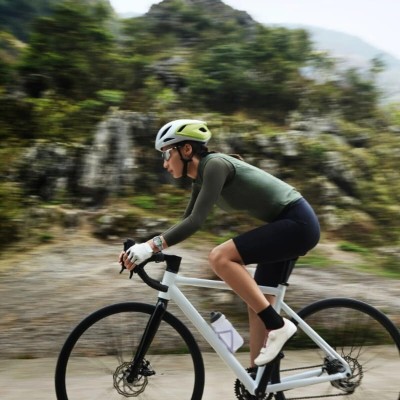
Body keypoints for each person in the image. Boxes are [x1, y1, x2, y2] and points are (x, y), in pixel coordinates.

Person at [119, 119, 320, 366]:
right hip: (286, 225)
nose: (164, 163)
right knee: (257, 302)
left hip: (298, 223)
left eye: (166, 154)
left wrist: (149, 247)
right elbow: (186, 221)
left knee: (220, 257)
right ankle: (257, 379)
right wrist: (144, 248)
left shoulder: (215, 165)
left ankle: (278, 326)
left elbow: (196, 221)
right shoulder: (200, 178)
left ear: (186, 149)